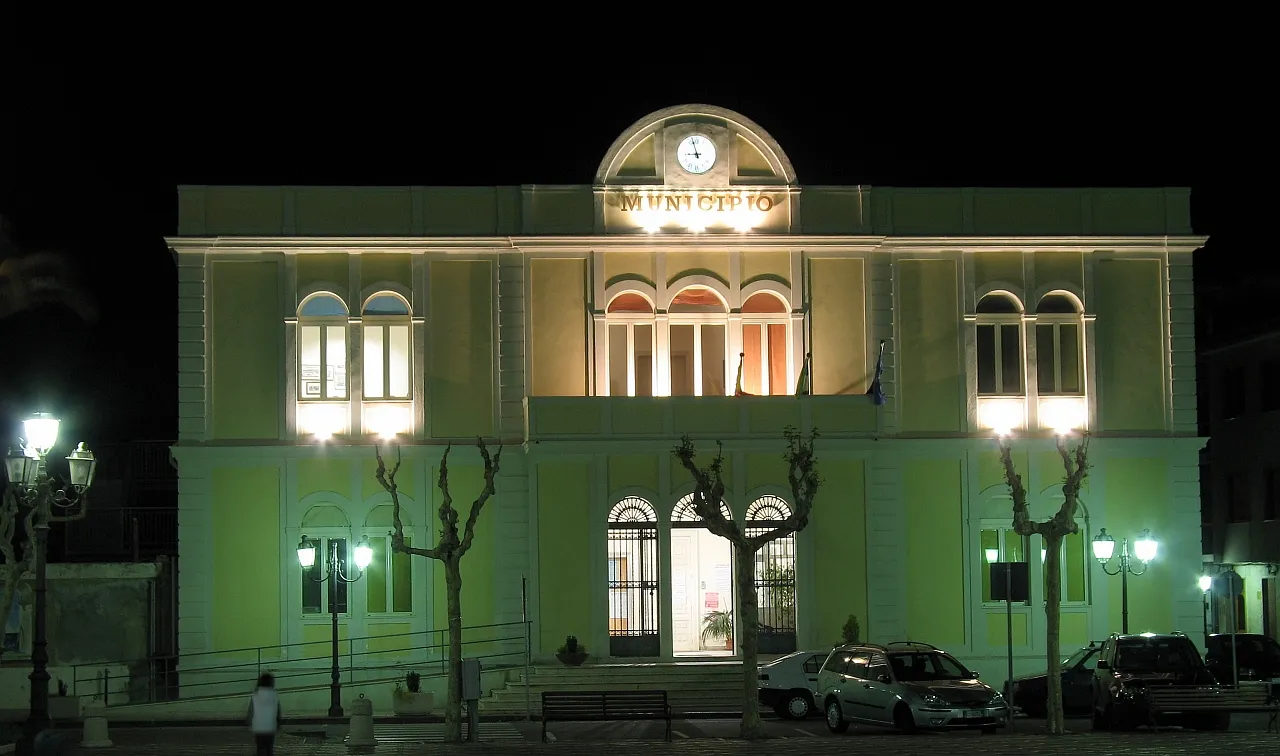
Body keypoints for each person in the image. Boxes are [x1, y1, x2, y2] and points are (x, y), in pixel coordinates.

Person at [247, 673, 282, 756]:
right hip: (270, 726)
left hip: (258, 727)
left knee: (260, 748)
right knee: (269, 748)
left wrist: (249, 722)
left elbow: (251, 711)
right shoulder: (273, 695)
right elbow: (277, 711)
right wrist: (278, 723)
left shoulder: (255, 695)